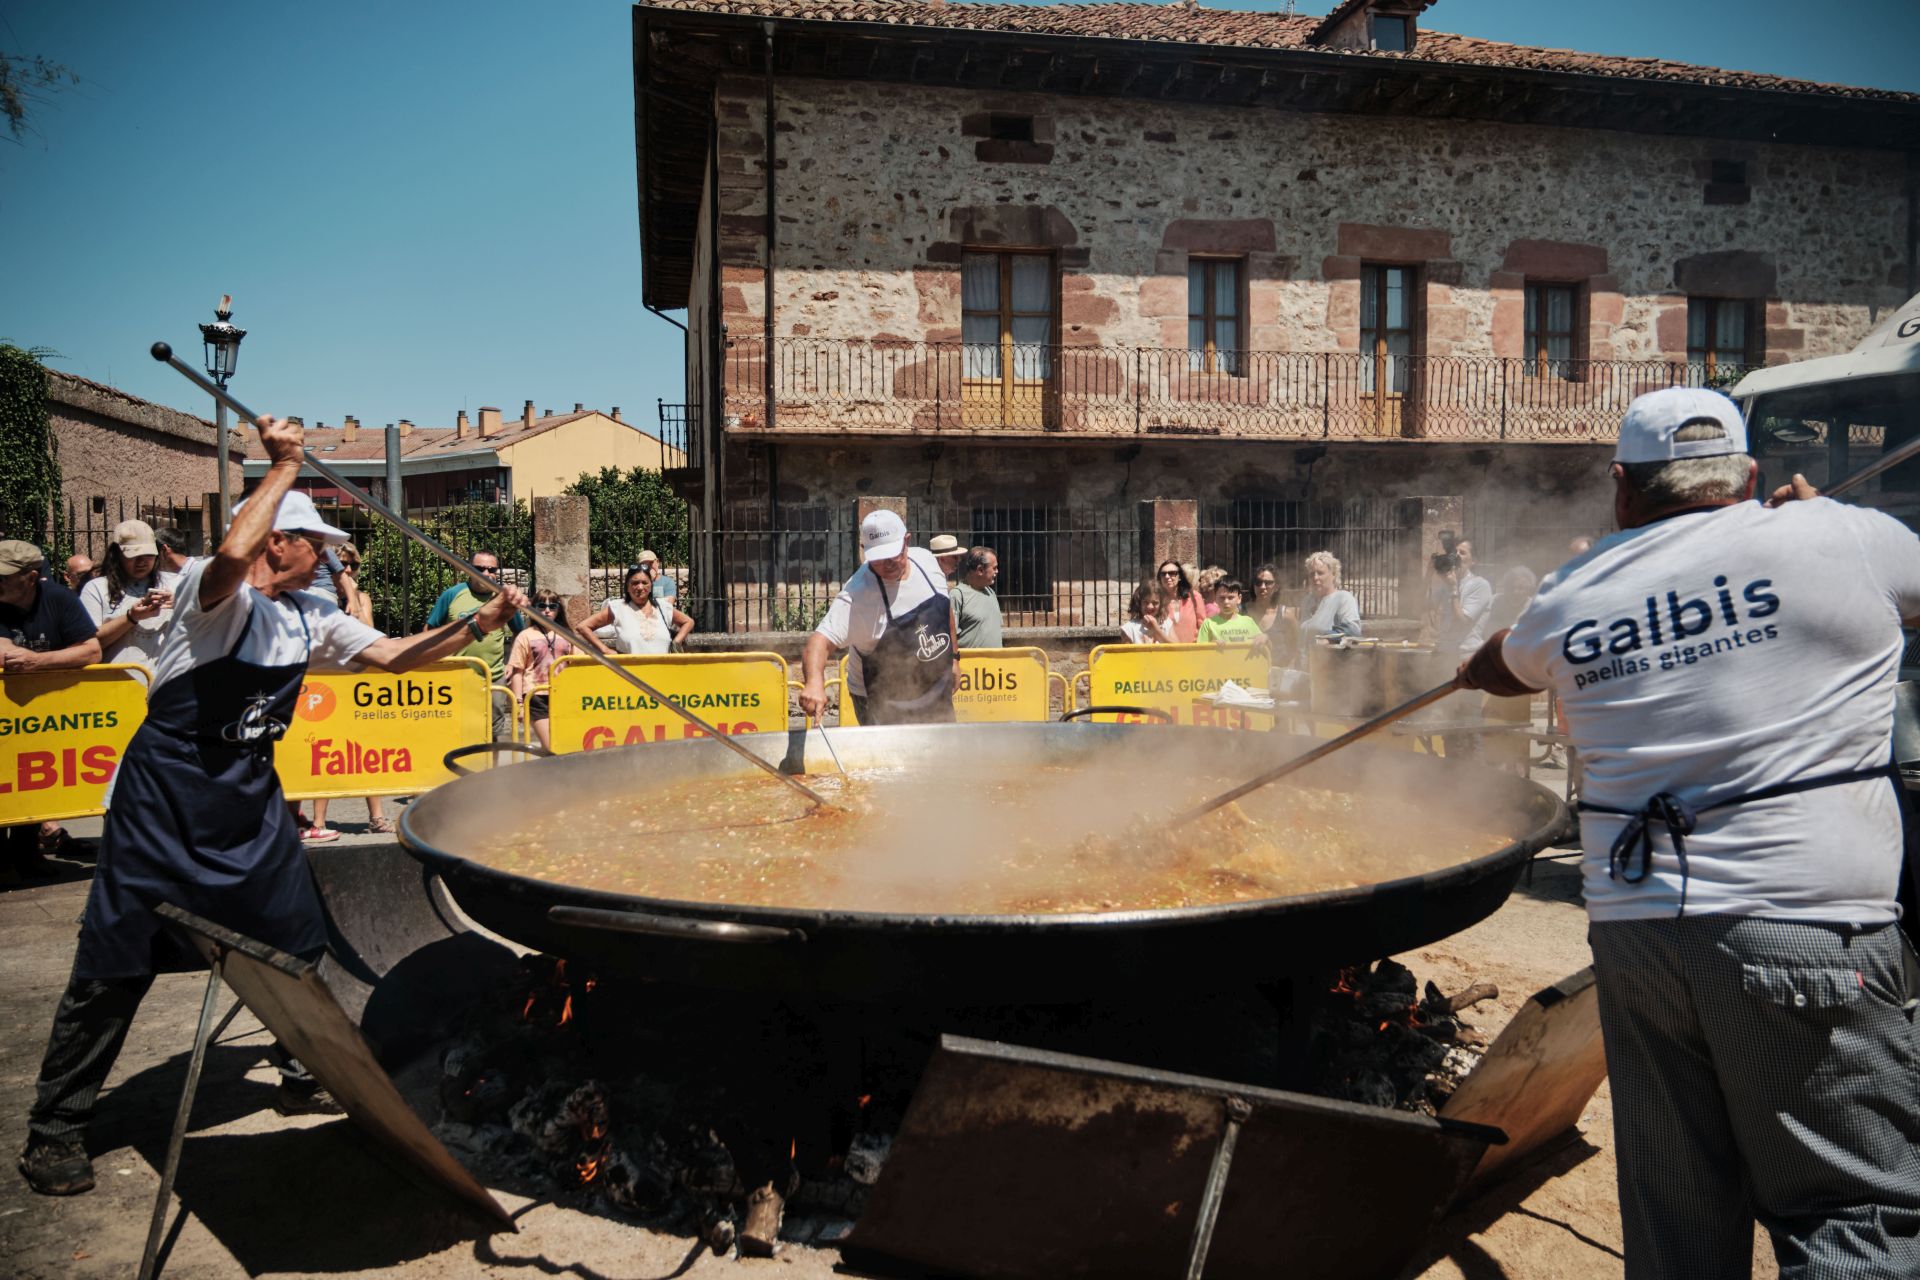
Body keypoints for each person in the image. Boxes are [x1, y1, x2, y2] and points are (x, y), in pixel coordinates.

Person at [1454, 386, 1920, 1277]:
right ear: (1749, 476)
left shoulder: (1573, 589)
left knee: (1678, 1218)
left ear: (1624, 489)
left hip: (1639, 939)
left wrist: (1480, 663)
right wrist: (1822, 518)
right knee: (1847, 1211)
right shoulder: (1842, 536)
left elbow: (1502, 668)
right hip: (1806, 932)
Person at [16, 416, 529, 1197]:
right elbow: (227, 557)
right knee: (117, 958)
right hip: (164, 797)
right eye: (309, 540)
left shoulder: (310, 615)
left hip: (249, 798)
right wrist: (283, 465)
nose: (322, 552)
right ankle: (58, 1126)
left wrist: (475, 624)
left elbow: (394, 655)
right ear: (274, 543)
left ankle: (300, 1066)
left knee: (295, 935)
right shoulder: (208, 598)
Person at [0, 541, 102, 886]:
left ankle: (29, 855)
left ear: (30, 578)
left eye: (5, 577)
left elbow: (91, 651)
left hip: (46, 714)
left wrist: (36, 662)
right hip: (6, 712)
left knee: (34, 788)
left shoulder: (60, 599)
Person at [798, 509, 956, 726]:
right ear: (865, 551)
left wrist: (955, 659)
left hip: (936, 685)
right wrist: (814, 682)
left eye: (893, 554)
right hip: (881, 700)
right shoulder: (857, 595)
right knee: (892, 758)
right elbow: (819, 642)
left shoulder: (927, 562)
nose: (887, 564)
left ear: (906, 541)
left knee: (943, 751)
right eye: (879, 558)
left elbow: (945, 610)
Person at [306, 542, 391, 840]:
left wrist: (352, 601)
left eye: (353, 565)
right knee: (323, 752)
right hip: (325, 685)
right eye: (341, 564)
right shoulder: (315, 602)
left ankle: (377, 817)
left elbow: (370, 632)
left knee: (365, 749)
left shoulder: (360, 598)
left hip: (357, 684)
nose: (348, 570)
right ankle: (318, 821)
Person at [425, 549, 528, 740]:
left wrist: (512, 663)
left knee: (494, 731)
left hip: (493, 675)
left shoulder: (503, 598)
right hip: (457, 675)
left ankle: (493, 769)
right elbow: (431, 628)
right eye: (479, 568)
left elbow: (520, 633)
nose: (486, 574)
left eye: (491, 569)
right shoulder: (452, 595)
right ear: (469, 569)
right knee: (458, 728)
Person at [79, 520, 179, 671]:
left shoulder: (176, 583)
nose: (142, 562)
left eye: (148, 555)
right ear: (117, 554)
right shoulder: (96, 589)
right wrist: (131, 618)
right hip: (117, 685)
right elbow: (88, 645)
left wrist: (182, 603)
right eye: (134, 555)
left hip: (164, 686)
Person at [506, 590, 574, 750]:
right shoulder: (525, 636)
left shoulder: (567, 634)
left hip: (563, 694)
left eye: (552, 606)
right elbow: (518, 671)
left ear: (559, 609)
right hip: (536, 695)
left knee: (562, 744)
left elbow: (577, 663)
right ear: (534, 608)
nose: (547, 610)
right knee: (551, 746)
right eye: (542, 606)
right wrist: (519, 704)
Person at [581, 564, 693, 656]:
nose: (640, 587)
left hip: (662, 674)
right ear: (628, 586)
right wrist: (605, 650)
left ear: (651, 586)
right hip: (629, 676)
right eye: (635, 583)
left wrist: (676, 643)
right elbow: (583, 627)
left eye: (644, 583)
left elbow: (688, 622)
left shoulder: (663, 607)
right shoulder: (618, 608)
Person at [1287, 550, 1362, 650]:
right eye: (1312, 574)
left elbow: (1353, 630)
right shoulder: (1307, 601)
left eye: (1320, 573)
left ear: (1333, 574)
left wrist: (1328, 639)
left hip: (1330, 662)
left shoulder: (1343, 599)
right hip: (1305, 664)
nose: (1315, 577)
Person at [950, 545, 1002, 649]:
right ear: (980, 570)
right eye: (994, 568)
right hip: (970, 664)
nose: (997, 571)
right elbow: (951, 636)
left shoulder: (990, 592)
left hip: (997, 663)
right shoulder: (957, 595)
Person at [1198, 578, 1262, 645]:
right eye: (1222, 597)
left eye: (1231, 597)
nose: (1226, 602)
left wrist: (1264, 638)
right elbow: (1200, 650)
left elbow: (1264, 646)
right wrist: (1211, 646)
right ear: (1215, 598)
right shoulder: (1208, 624)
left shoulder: (1249, 622)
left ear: (1239, 598)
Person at [1156, 561, 1202, 643]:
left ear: (1179, 576)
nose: (1167, 576)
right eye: (1163, 574)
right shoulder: (1157, 601)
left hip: (1192, 650)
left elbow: (1203, 625)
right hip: (1167, 651)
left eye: (1172, 573)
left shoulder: (1194, 597)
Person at [1244, 564, 1283, 633]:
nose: (1262, 587)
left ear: (1276, 587)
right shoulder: (1240, 612)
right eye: (1258, 582)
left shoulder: (1285, 616)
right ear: (1253, 585)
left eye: (1268, 583)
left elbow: (1294, 642)